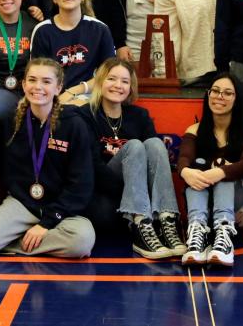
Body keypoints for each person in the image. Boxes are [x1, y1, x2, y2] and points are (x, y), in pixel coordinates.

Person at [0, 58, 96, 261]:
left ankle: (11, 242)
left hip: (60, 208)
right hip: (21, 204)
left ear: (59, 87)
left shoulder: (74, 124)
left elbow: (81, 185)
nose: (38, 87)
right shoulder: (10, 121)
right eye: (32, 80)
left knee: (82, 242)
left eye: (46, 81)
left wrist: (46, 224)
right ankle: (5, 239)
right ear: (23, 84)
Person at [80, 58, 186, 257]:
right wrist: (132, 188)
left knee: (154, 144)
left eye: (125, 81)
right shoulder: (85, 116)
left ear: (131, 87)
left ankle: (167, 220)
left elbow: (154, 162)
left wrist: (137, 189)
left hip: (141, 198)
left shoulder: (140, 115)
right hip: (104, 199)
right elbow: (91, 167)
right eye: (112, 79)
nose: (118, 86)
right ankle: (140, 226)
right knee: (134, 146)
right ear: (101, 81)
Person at [178, 73, 243, 266]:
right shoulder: (195, 130)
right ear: (207, 95)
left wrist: (219, 172)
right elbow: (183, 159)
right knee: (195, 166)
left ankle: (224, 239)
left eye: (227, 93)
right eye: (215, 91)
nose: (219, 96)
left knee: (226, 169)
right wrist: (186, 172)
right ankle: (197, 236)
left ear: (236, 99)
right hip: (206, 210)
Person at [31, 0, 115, 105]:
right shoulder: (43, 30)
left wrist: (76, 91)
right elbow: (38, 75)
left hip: (89, 95)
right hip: (50, 96)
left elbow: (109, 74)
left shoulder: (100, 29)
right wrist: (58, 98)